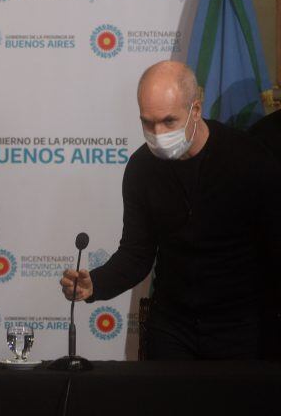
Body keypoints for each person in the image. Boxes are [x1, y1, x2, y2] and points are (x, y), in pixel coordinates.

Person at [60, 60, 280, 360]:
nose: (157, 133)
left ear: (196, 110)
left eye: (168, 121)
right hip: (172, 327)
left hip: (242, 327)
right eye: (147, 123)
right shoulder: (141, 168)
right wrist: (95, 283)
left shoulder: (249, 159)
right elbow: (137, 253)